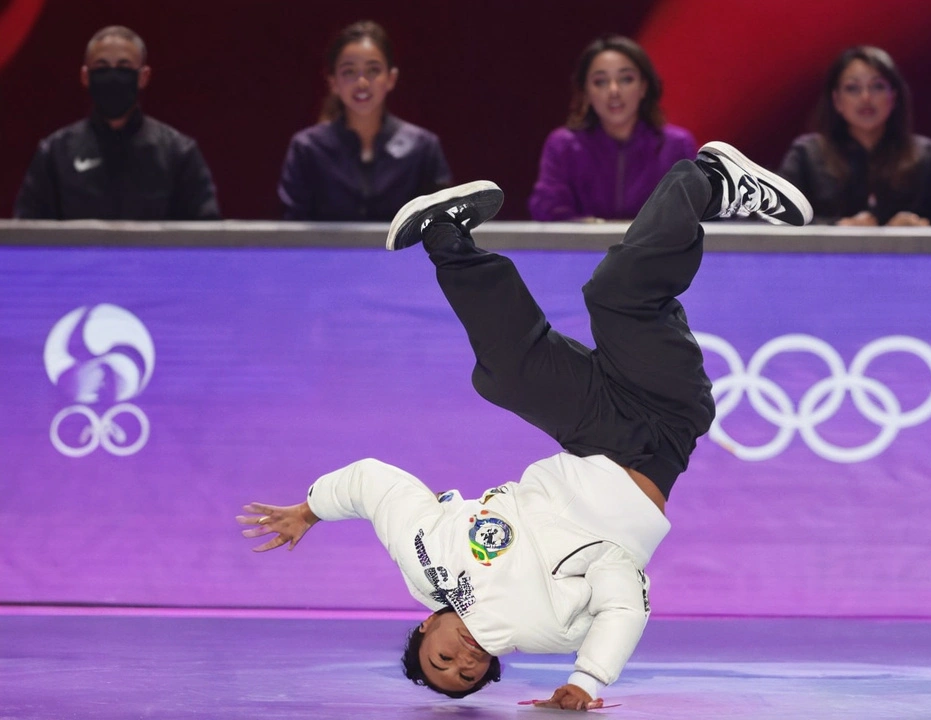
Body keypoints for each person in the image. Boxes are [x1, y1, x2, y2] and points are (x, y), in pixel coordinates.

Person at [239, 142, 812, 709]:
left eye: (442, 661)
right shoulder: (547, 632)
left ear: (421, 631)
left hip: (587, 435)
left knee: (507, 373)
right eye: (469, 674)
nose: (462, 660)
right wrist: (586, 682)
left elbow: (373, 484)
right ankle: (711, 182)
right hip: (659, 431)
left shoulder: (424, 557)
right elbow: (624, 604)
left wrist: (312, 508)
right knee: (619, 295)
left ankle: (446, 235)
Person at [13, 25, 220, 220]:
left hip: (149, 260)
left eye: (124, 67)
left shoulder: (179, 153)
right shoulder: (54, 153)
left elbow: (204, 237)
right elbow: (27, 235)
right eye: (102, 67)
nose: (113, 76)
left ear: (143, 76)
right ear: (85, 76)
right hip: (79, 260)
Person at [277, 21, 452, 221]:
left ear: (391, 78)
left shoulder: (423, 148)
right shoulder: (307, 149)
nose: (362, 82)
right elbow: (292, 231)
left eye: (373, 70)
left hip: (404, 254)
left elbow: (441, 228)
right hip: (327, 254)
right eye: (349, 71)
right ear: (333, 82)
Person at [777, 45, 931, 227]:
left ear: (893, 97)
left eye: (877, 86)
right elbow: (776, 221)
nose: (866, 98)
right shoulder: (807, 155)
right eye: (853, 88)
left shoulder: (929, 156)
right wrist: (836, 229)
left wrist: (922, 231)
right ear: (836, 100)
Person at [528, 35, 696, 221]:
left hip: (656, 249)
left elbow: (693, 213)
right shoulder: (563, 145)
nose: (614, 91)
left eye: (626, 79)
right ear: (586, 92)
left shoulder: (676, 145)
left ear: (643, 87)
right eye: (600, 81)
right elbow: (547, 208)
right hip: (584, 249)